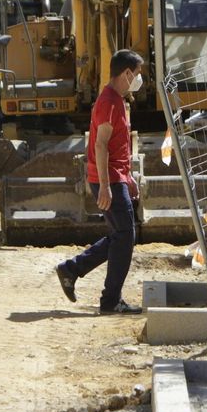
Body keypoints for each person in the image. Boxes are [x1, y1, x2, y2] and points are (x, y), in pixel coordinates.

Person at [54, 49, 145, 314]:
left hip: (115, 178)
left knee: (121, 235)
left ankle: (71, 270)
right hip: (107, 180)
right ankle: (109, 300)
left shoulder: (117, 100)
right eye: (137, 74)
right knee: (125, 236)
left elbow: (117, 147)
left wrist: (127, 178)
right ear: (126, 73)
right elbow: (101, 146)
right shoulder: (109, 102)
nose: (139, 80)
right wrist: (105, 186)